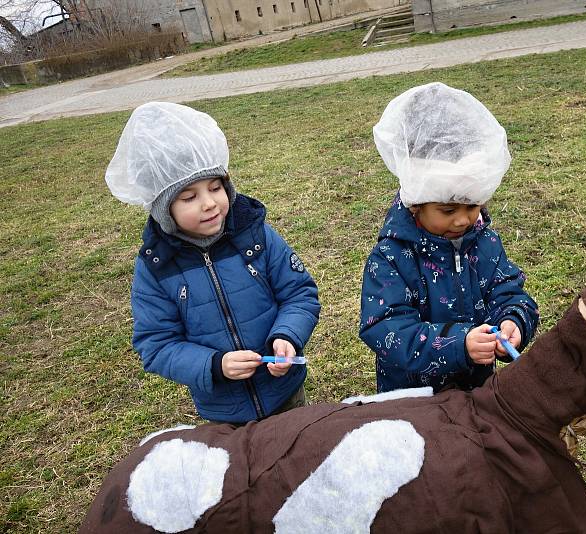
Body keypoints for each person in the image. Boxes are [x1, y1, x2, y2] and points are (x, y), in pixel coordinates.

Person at [105, 102, 320, 424]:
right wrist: (214, 365)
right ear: (164, 209)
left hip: (284, 392)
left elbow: (299, 294)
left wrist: (287, 336)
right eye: (189, 197)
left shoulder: (256, 235)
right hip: (224, 411)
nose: (209, 204)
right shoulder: (156, 267)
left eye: (216, 188)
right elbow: (156, 344)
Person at [360, 82, 539, 393]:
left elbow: (509, 292)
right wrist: (458, 345)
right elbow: (385, 327)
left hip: (476, 393)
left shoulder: (484, 241)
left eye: (472, 205)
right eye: (447, 209)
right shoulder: (391, 257)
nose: (462, 219)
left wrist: (514, 321)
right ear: (416, 203)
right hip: (416, 401)